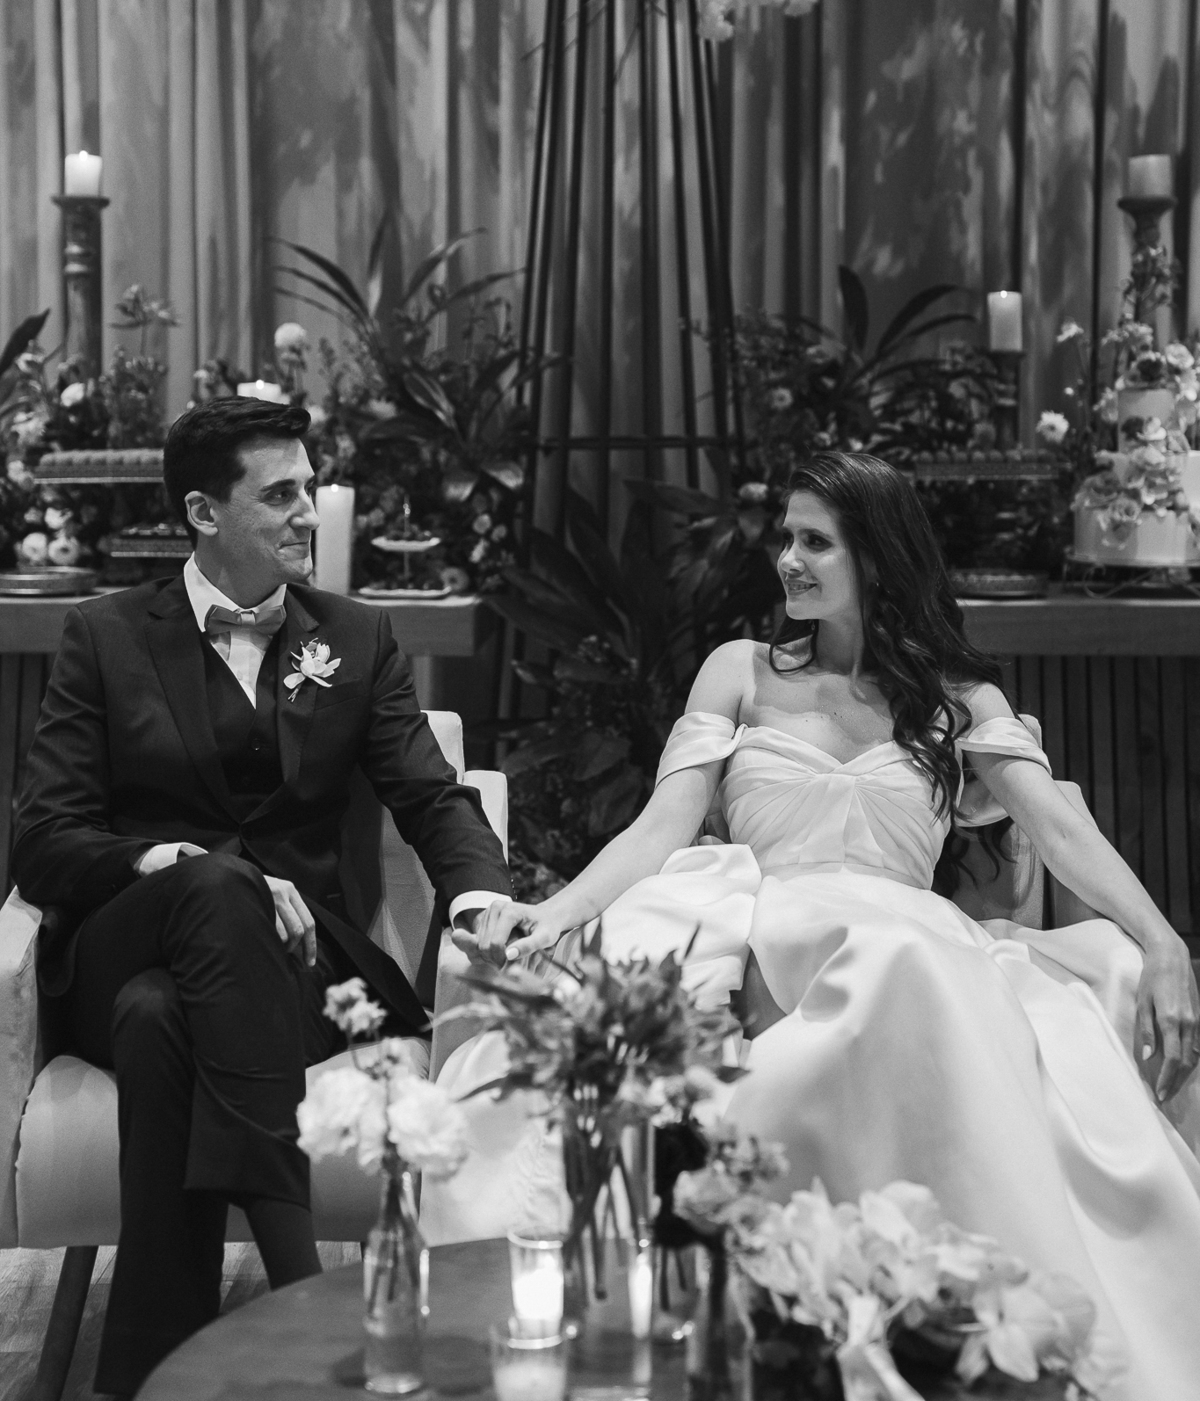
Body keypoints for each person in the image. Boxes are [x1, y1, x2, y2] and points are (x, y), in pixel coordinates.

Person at [440, 451, 1200, 1401]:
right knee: (881, 961)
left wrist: (1163, 942)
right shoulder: (741, 671)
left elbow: (1059, 826)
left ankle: (979, 1326)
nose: (788, 561)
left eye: (815, 542)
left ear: (875, 557)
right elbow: (661, 826)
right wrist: (551, 913)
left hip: (917, 935)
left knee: (947, 963)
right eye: (787, 538)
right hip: (772, 929)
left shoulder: (959, 697)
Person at [11, 397, 511, 1396]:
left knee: (159, 1020)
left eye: (307, 490)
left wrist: (480, 904)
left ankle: (142, 1376)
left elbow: (432, 796)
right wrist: (163, 861)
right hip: (126, 936)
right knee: (211, 885)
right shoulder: (103, 636)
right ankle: (305, 1297)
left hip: (297, 968)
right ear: (203, 512)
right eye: (280, 495)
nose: (308, 513)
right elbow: (44, 840)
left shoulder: (355, 636)